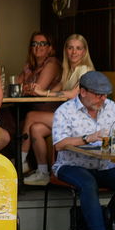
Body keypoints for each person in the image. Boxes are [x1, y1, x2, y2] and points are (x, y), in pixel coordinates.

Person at [50, 71, 115, 230]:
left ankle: (105, 217)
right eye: (98, 95)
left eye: (105, 95)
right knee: (88, 184)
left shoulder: (111, 107)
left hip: (104, 165)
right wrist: (87, 138)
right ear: (83, 92)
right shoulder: (65, 111)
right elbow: (59, 144)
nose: (103, 99)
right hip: (71, 165)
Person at [23, 33, 95, 186]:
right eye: (70, 48)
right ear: (65, 50)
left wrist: (43, 92)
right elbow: (54, 92)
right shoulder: (68, 71)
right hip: (69, 118)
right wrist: (36, 91)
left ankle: (21, 161)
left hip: (82, 122)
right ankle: (43, 173)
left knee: (31, 116)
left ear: (84, 51)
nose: (74, 52)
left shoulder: (85, 70)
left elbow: (72, 94)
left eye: (78, 48)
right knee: (36, 128)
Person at [10, 31, 61, 173]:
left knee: (28, 117)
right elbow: (16, 86)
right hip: (35, 109)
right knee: (13, 118)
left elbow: (38, 89)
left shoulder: (52, 63)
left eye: (42, 43)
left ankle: (20, 161)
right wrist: (26, 86)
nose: (38, 47)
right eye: (34, 44)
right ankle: (42, 172)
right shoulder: (30, 66)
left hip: (50, 110)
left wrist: (26, 87)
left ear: (50, 48)